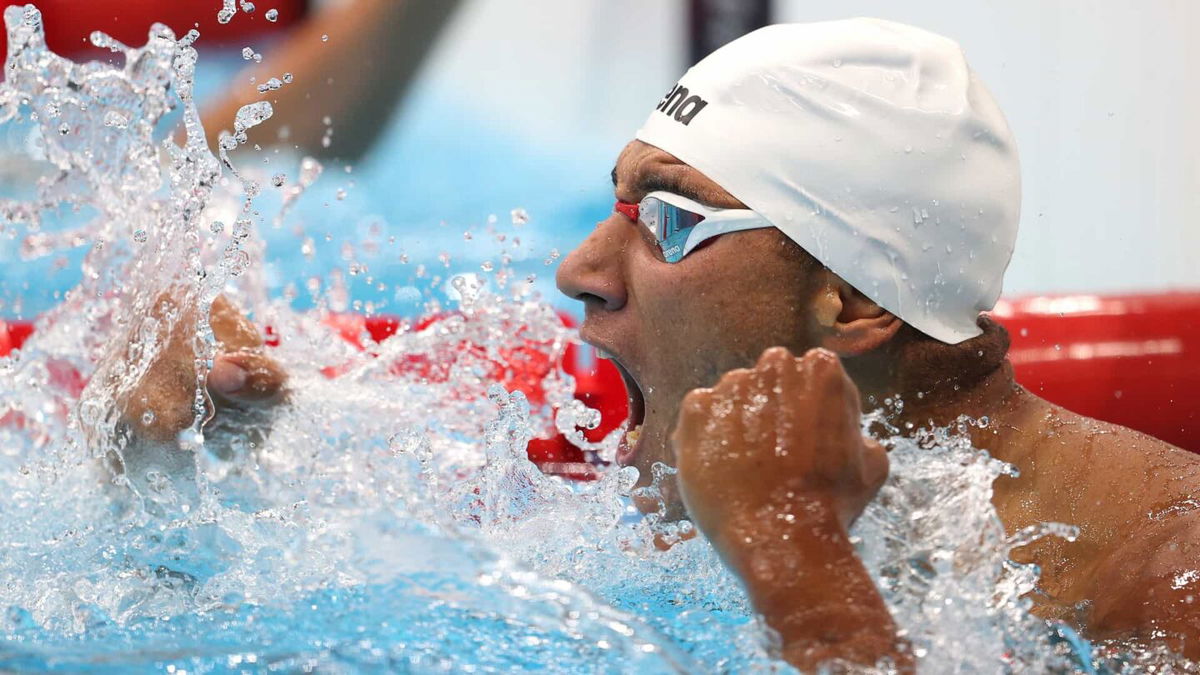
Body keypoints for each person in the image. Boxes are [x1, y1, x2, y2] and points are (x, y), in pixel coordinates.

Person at [127, 18, 1200, 671]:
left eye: (672, 220)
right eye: (618, 206)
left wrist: (795, 553)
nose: (580, 272)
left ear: (853, 303)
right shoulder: (666, 509)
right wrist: (178, 491)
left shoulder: (1163, 577)